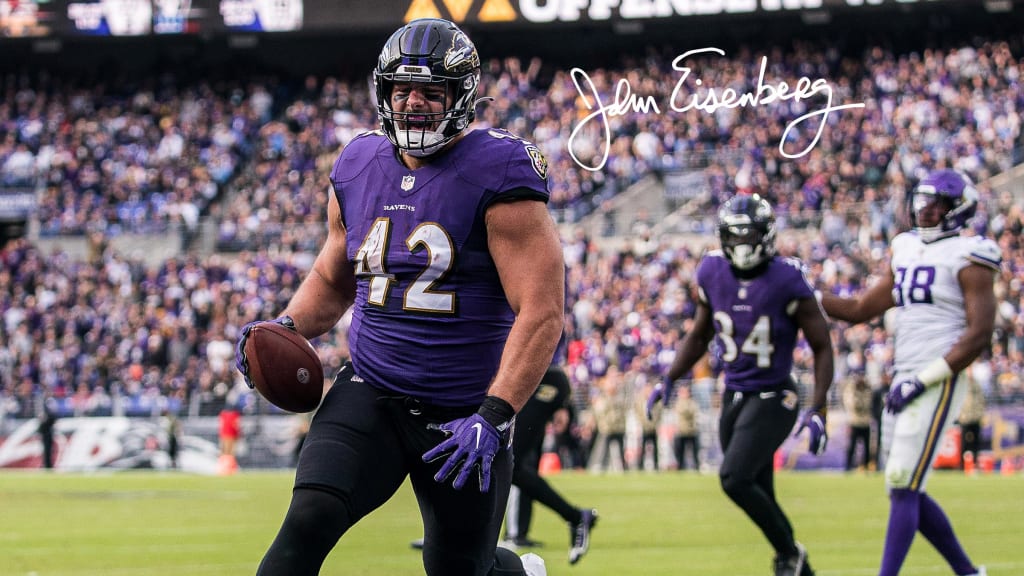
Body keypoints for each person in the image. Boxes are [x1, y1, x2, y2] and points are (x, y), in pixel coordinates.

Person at [235, 18, 563, 576]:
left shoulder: (500, 171)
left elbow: (542, 311)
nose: (412, 103)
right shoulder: (359, 162)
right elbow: (335, 276)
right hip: (373, 391)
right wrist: (286, 326)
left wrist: (494, 412)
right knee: (308, 519)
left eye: (430, 91)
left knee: (463, 569)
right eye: (400, 89)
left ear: (461, 96)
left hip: (462, 415)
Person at [646, 193, 834, 576]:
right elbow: (700, 335)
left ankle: (790, 554)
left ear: (765, 237)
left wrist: (818, 407)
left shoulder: (787, 278)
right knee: (759, 486)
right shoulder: (712, 271)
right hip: (734, 394)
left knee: (733, 478)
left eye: (748, 237)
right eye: (734, 237)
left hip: (774, 394)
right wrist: (670, 376)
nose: (742, 246)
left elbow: (822, 345)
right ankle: (795, 564)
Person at [820, 169, 996, 576]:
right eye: (922, 201)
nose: (925, 210)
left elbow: (979, 334)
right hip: (904, 373)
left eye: (935, 203)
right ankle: (969, 573)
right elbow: (862, 308)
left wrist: (923, 379)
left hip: (938, 374)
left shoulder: (971, 254)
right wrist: (807, 294)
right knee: (902, 485)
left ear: (957, 210)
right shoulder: (906, 248)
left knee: (902, 479)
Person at [504, 362, 597, 564]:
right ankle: (573, 517)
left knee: (511, 464)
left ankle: (575, 517)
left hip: (542, 380)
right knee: (513, 466)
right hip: (537, 380)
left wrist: (564, 404)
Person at [842, 371, 873, 471]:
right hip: (854, 421)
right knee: (852, 446)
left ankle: (866, 466)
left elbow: (868, 404)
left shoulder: (868, 390)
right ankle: (848, 466)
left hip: (865, 422)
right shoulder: (851, 390)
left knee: (867, 447)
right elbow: (852, 404)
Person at [957, 365, 986, 469]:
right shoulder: (961, 384)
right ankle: (961, 465)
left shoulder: (976, 384)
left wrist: (980, 414)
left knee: (976, 442)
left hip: (975, 417)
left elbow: (982, 400)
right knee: (963, 443)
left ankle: (974, 464)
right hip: (965, 417)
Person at [672, 384, 700, 471]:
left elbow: (691, 412)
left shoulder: (692, 402)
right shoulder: (678, 402)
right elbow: (683, 411)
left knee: (695, 451)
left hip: (692, 431)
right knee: (679, 451)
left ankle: (696, 467)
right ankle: (680, 466)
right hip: (682, 430)